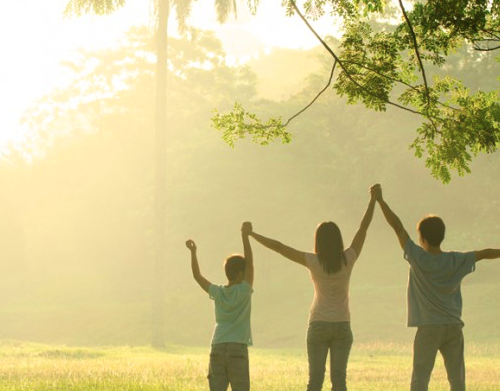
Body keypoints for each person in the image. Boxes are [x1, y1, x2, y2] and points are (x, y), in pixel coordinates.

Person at [246, 186, 378, 391]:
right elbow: (363, 229)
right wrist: (373, 200)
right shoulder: (349, 258)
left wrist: (252, 234)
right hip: (342, 325)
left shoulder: (312, 261)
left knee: (315, 381)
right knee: (339, 381)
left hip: (318, 325)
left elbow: (280, 247)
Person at [371, 183, 500, 391]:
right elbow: (485, 253)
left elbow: (398, 227)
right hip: (453, 325)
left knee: (421, 379)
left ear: (422, 237)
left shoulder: (417, 257)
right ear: (442, 236)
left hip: (429, 327)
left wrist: (380, 201)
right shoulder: (456, 260)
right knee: (457, 380)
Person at [185, 221, 254, 391]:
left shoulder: (217, 292)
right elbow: (250, 262)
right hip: (237, 348)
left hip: (217, 346)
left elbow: (197, 276)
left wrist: (193, 253)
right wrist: (245, 236)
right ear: (240, 274)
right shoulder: (244, 291)